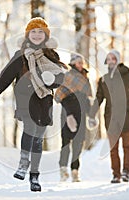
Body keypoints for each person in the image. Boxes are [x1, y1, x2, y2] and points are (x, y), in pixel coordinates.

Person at [0, 17, 66, 192]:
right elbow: (4, 77)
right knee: (29, 129)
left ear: (46, 35)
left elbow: (60, 78)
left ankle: (34, 176)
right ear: (27, 35)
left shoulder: (51, 55)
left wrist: (52, 80)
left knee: (38, 138)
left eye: (40, 32)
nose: (37, 35)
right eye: (33, 31)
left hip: (44, 102)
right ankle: (23, 164)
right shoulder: (20, 56)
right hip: (26, 101)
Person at [89, 49, 129, 183]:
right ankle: (116, 174)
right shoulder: (104, 80)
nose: (111, 61)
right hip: (111, 119)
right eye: (109, 59)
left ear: (118, 60)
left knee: (127, 147)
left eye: (114, 58)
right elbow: (98, 99)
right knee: (113, 149)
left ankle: (126, 172)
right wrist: (91, 116)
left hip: (128, 117)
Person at [54, 54, 92, 182]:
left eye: (82, 62)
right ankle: (63, 170)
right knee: (66, 143)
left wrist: (91, 115)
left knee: (78, 144)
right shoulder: (68, 76)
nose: (81, 64)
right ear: (73, 63)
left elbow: (86, 100)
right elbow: (61, 98)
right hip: (67, 114)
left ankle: (75, 171)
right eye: (78, 62)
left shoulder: (85, 78)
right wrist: (69, 115)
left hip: (81, 114)